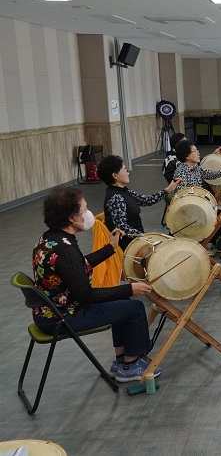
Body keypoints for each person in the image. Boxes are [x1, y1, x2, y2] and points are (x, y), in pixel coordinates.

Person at [33, 187, 159, 383]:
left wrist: (111, 247)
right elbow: (86, 295)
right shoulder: (65, 249)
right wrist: (130, 288)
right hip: (64, 317)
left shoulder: (49, 239)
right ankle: (131, 366)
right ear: (72, 218)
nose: (88, 213)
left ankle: (121, 360)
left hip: (49, 313)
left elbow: (77, 267)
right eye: (84, 210)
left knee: (123, 301)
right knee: (134, 308)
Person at [98, 155, 181, 250]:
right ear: (115, 175)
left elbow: (146, 200)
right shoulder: (116, 197)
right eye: (124, 169)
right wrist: (144, 237)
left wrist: (168, 189)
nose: (128, 173)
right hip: (128, 246)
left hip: (136, 240)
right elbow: (121, 227)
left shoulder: (123, 190)